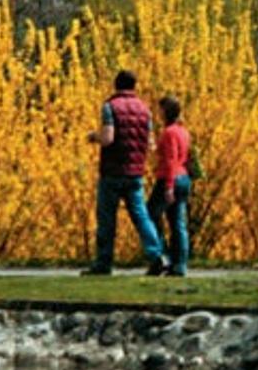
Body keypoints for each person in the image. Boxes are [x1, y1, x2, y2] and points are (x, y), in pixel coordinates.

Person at [81, 70, 170, 276]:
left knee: (107, 219)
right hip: (135, 172)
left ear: (116, 85)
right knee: (141, 216)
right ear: (134, 86)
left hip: (112, 172)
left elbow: (108, 138)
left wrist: (94, 137)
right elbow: (150, 143)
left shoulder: (110, 106)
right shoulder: (145, 110)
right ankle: (157, 255)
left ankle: (104, 263)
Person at [147, 96, 192, 277]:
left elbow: (171, 159)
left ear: (166, 112)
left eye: (161, 110)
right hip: (183, 177)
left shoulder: (169, 133)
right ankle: (179, 264)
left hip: (169, 178)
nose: (159, 114)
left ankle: (162, 255)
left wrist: (168, 186)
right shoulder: (183, 131)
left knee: (149, 215)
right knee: (177, 222)